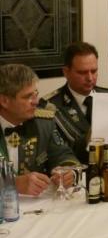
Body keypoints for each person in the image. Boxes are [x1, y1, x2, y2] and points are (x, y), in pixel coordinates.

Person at [42, 42, 108, 163]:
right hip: (77, 169)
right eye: (82, 72)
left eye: (94, 71)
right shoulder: (50, 107)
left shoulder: (107, 95)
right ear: (66, 72)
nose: (90, 78)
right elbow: (56, 153)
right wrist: (88, 139)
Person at [0, 64, 79, 196]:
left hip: (36, 204)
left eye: (35, 94)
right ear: (4, 101)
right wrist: (12, 184)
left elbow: (63, 155)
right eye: (27, 97)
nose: (36, 102)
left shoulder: (43, 123)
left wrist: (68, 172)